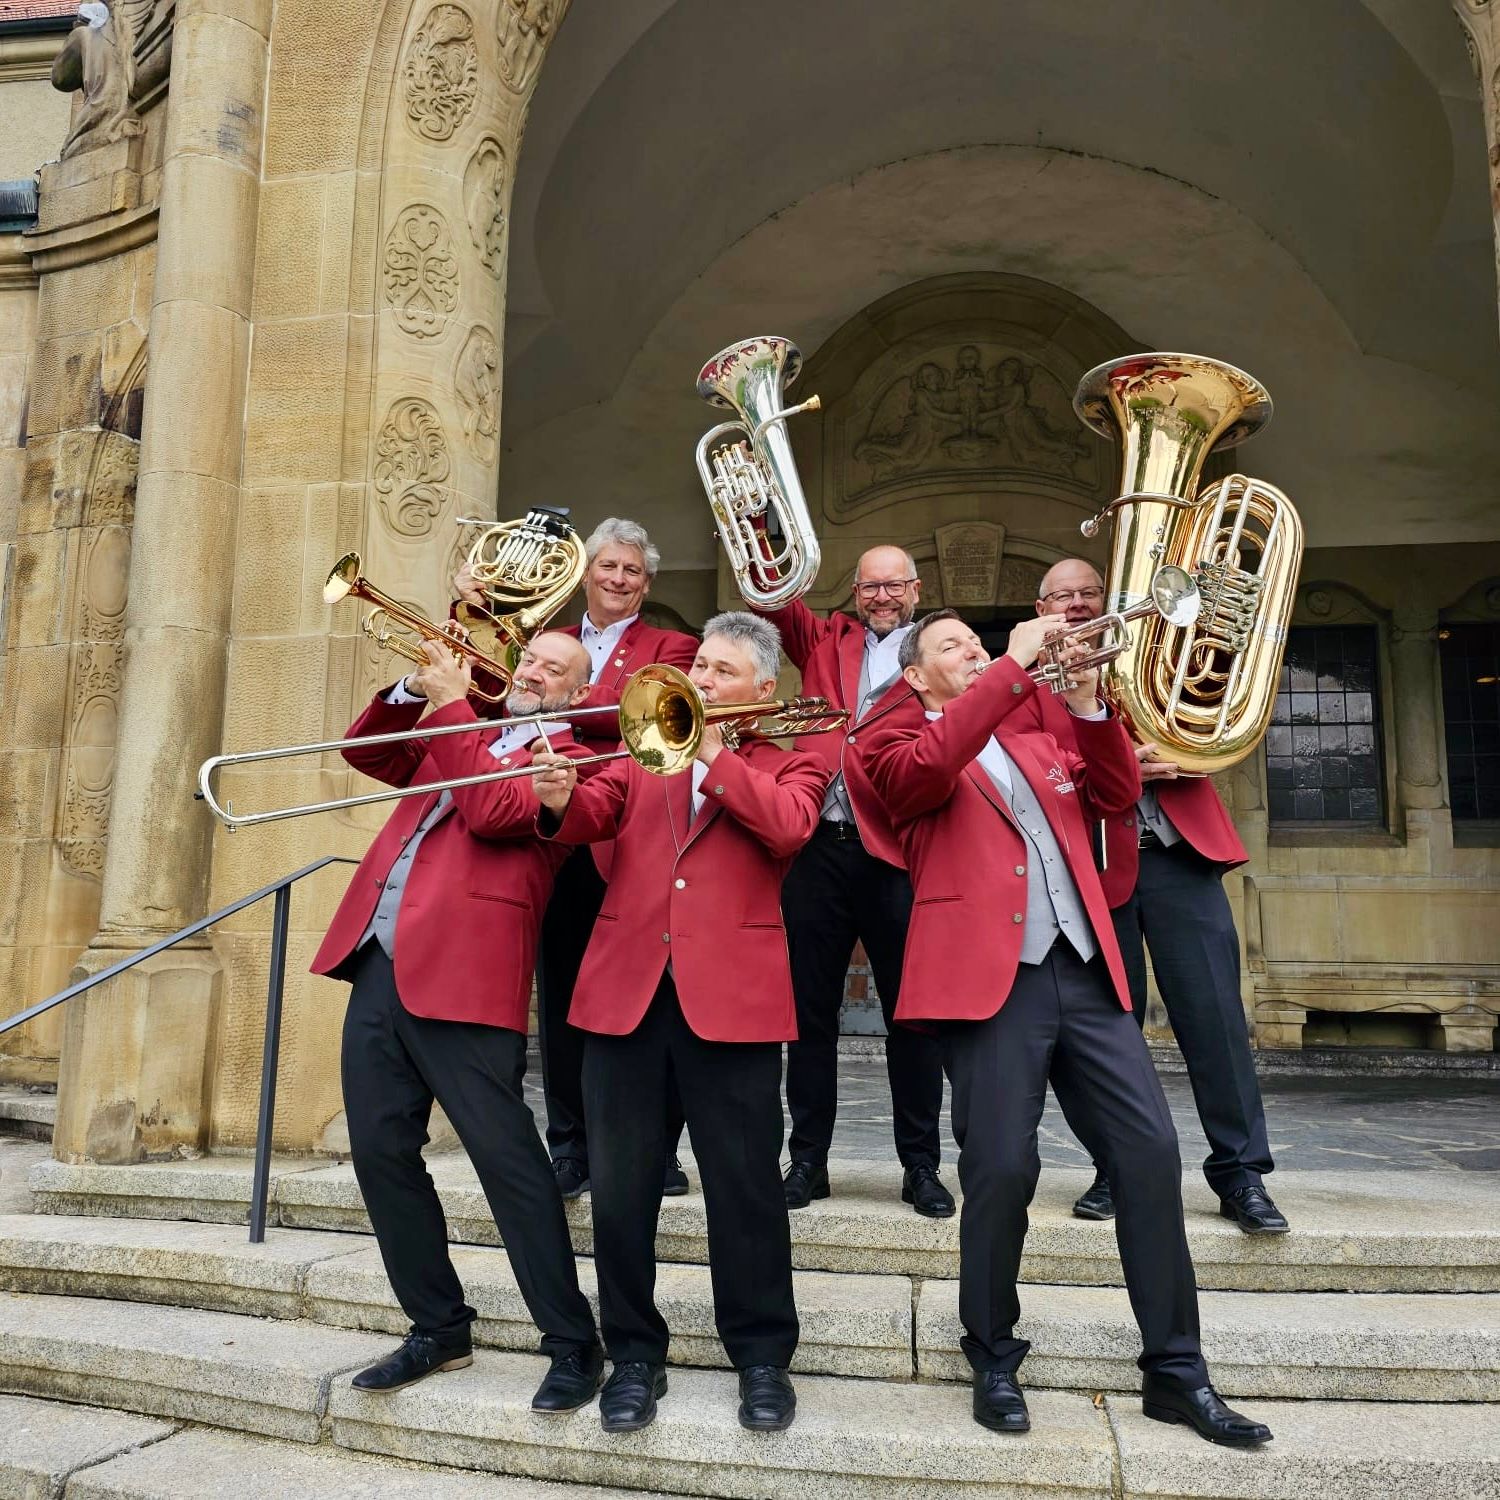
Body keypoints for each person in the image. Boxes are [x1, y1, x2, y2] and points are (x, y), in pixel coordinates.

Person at [855, 609, 1272, 1448]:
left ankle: (1176, 1370)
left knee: (1150, 1153)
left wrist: (1086, 704)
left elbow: (1114, 795)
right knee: (1002, 1168)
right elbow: (929, 771)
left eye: (979, 644)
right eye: (953, 647)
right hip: (990, 985)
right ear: (916, 677)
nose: (975, 652)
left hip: (1083, 969)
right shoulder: (893, 745)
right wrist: (1013, 667)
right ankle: (992, 1353)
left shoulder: (1036, 736)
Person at [532, 612, 827, 1435]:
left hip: (730, 1004)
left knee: (746, 1191)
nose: (701, 680)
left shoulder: (792, 760)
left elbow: (789, 826)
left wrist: (714, 755)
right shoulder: (639, 753)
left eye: (722, 672)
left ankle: (762, 1358)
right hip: (625, 996)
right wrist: (559, 798)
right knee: (622, 1192)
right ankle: (633, 1355)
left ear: (762, 688)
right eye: (698, 666)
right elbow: (592, 812)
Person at [310, 631, 604, 1410]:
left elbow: (493, 810)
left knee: (509, 1165)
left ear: (578, 693)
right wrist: (414, 690)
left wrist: (449, 707)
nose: (531, 672)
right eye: (530, 659)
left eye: (554, 669)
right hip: (380, 959)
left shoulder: (572, 759)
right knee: (381, 1152)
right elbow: (367, 752)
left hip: (468, 976)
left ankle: (573, 1341)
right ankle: (438, 1327)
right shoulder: (461, 728)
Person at [1030, 558, 1286, 1234]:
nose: (1078, 604)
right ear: (1041, 608)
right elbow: (1033, 766)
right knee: (1103, 1033)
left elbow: (1222, 710)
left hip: (1179, 858)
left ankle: (1242, 1176)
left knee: (1215, 1023)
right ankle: (1117, 1168)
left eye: (1089, 592)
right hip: (1093, 867)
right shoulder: (1029, 680)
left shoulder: (1161, 647)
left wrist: (1189, 744)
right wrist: (1114, 764)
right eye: (1063, 596)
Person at [456, 517, 698, 1201]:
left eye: (632, 570)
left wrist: (559, 703)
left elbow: (646, 719)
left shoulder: (672, 645)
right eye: (607, 567)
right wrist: (469, 614)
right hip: (552, 832)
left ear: (647, 584)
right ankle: (569, 1145)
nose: (618, 579)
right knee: (561, 1000)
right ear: (586, 574)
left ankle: (656, 1149)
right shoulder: (541, 640)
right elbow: (487, 698)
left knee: (649, 1002)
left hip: (629, 838)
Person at [753, 546, 951, 1217]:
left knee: (912, 1017)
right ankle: (808, 1160)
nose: (882, 597)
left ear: (916, 588)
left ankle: (921, 1165)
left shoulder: (934, 650)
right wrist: (757, 521)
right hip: (817, 848)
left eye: (894, 585)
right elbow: (770, 593)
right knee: (808, 1016)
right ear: (856, 591)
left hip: (893, 852)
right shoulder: (825, 639)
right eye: (870, 586)